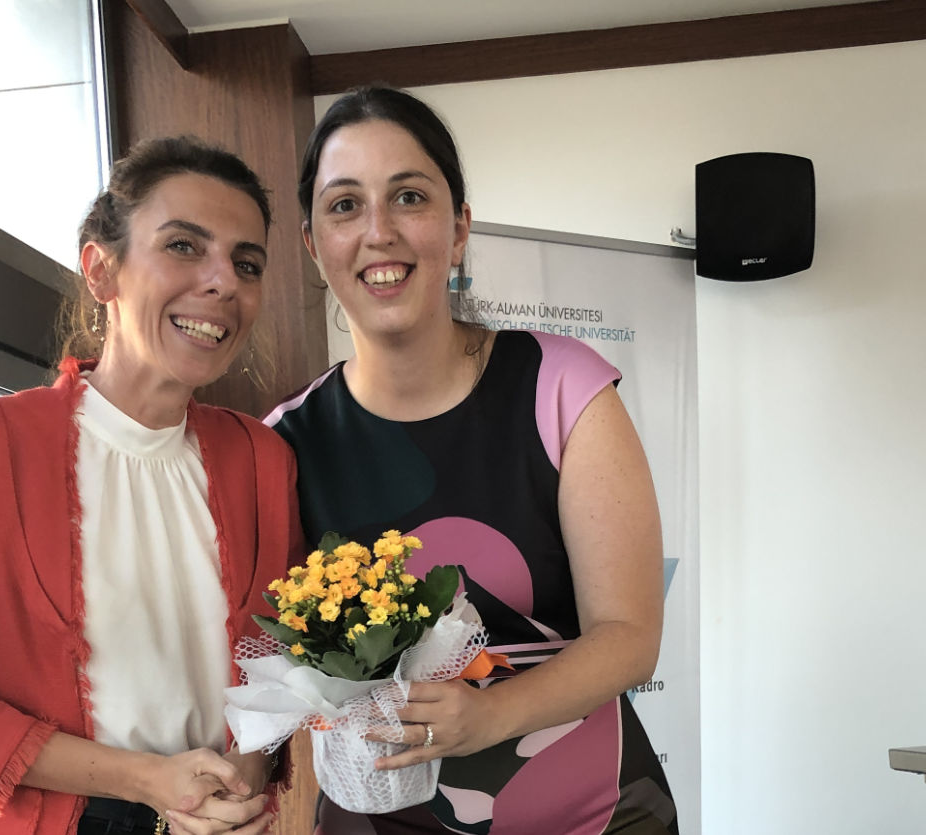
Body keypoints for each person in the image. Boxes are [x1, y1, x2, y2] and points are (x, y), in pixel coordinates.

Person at [265, 86, 679, 833]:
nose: (379, 231)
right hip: (381, 817)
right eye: (345, 205)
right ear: (313, 245)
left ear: (458, 229)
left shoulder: (561, 386)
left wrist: (489, 715)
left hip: (595, 813)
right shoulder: (285, 442)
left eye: (409, 197)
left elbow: (629, 635)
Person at [0, 136, 302, 835]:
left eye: (246, 263)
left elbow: (283, 659)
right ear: (101, 271)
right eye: (184, 246)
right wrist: (147, 780)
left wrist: (249, 770)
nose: (223, 281)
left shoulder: (263, 459)